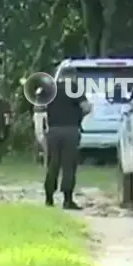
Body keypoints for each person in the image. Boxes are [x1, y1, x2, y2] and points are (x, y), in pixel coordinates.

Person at [39, 76, 92, 209]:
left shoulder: (50, 89)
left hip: (53, 130)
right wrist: (77, 116)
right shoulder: (74, 87)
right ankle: (67, 200)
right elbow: (86, 107)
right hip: (71, 130)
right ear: (73, 76)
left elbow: (40, 107)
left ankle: (49, 198)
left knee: (52, 164)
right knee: (69, 165)